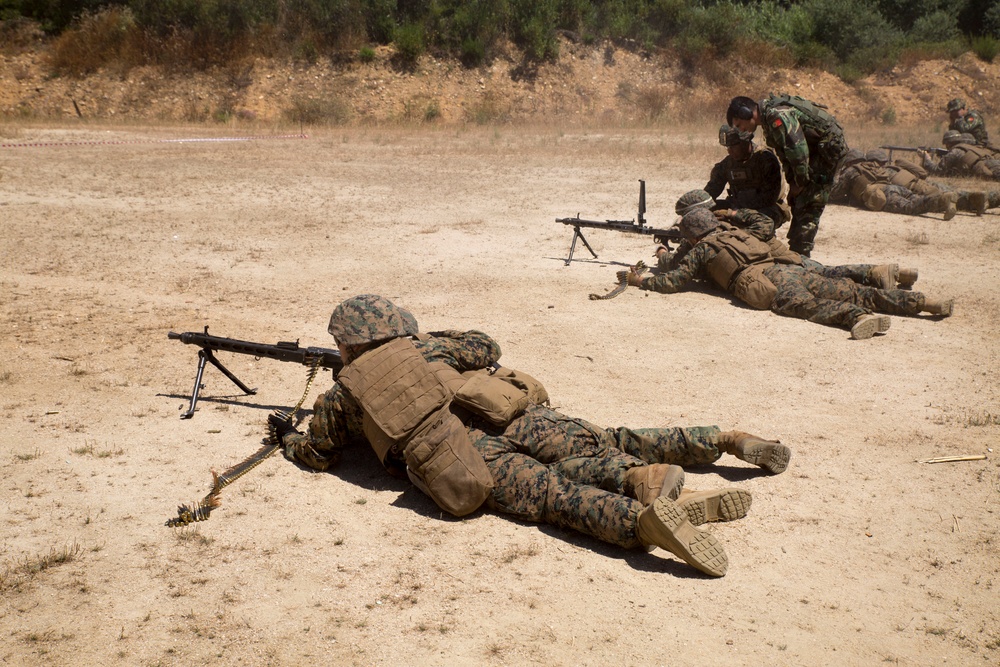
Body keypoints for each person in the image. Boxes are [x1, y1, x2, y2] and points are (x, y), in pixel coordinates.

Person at [270, 294, 793, 577]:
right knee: (608, 443)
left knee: (551, 495)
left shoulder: (346, 393)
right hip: (512, 414)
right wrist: (429, 340)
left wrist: (286, 437)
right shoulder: (431, 348)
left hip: (463, 452)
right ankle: (710, 445)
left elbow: (318, 453)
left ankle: (646, 523)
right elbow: (485, 344)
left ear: (348, 344)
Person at [625, 208, 954, 340]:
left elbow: (674, 281)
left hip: (767, 282)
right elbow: (764, 225)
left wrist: (641, 280)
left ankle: (856, 319)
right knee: (853, 289)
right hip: (785, 268)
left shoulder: (701, 250)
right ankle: (924, 302)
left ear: (693, 235)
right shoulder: (733, 231)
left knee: (810, 306)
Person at [662, 189, 918, 291]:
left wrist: (662, 252)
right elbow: (764, 225)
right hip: (778, 260)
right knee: (826, 274)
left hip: (775, 265)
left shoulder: (712, 229)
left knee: (826, 282)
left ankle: (881, 274)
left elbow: (676, 266)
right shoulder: (727, 219)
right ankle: (889, 272)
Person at [727, 94, 850, 257]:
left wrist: (799, 183)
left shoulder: (777, 116)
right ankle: (798, 250)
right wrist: (793, 183)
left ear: (745, 113)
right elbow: (785, 154)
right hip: (813, 154)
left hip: (824, 153)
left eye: (739, 124)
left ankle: (801, 253)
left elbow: (798, 151)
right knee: (801, 200)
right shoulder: (768, 120)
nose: (741, 130)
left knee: (810, 202)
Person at [832, 149, 972, 219]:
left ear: (849, 162)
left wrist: (837, 173)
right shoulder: (874, 166)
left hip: (885, 192)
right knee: (915, 199)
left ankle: (943, 200)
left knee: (911, 207)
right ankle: (961, 199)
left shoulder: (851, 170)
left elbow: (835, 193)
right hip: (896, 188)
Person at [704, 124, 789, 228]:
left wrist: (735, 214)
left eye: (734, 146)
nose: (730, 151)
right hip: (737, 206)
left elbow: (769, 198)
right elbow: (711, 190)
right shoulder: (728, 164)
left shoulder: (766, 160)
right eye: (727, 147)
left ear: (745, 141)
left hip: (768, 208)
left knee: (763, 221)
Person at [921, 131, 1000, 183]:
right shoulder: (969, 147)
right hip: (993, 163)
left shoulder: (955, 151)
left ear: (949, 143)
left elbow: (938, 171)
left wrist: (927, 159)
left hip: (988, 168)